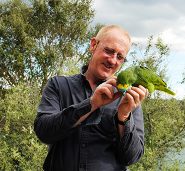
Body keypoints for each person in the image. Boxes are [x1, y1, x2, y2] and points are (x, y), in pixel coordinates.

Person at [34, 25, 148, 171]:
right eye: (109, 51)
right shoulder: (58, 85)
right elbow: (44, 132)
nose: (113, 61)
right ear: (93, 45)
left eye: (120, 57)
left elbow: (132, 157)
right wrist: (91, 104)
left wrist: (124, 117)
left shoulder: (128, 98)